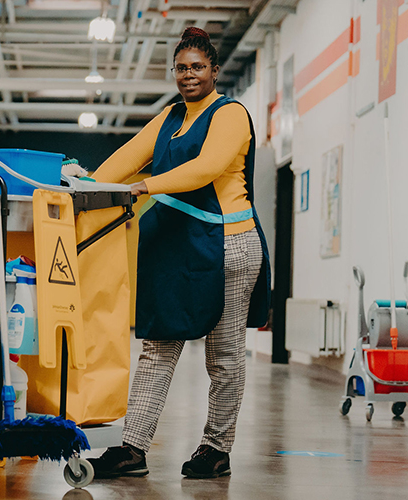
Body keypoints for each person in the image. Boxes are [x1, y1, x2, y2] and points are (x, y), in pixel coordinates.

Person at [87, 26, 271, 479]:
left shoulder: (230, 114)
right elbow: (126, 158)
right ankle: (132, 448)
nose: (189, 75)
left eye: (198, 67)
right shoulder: (170, 117)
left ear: (214, 70)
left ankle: (216, 448)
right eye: (181, 68)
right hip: (180, 246)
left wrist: (144, 186)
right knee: (157, 347)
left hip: (230, 246)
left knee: (223, 356)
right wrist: (83, 185)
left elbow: (205, 168)